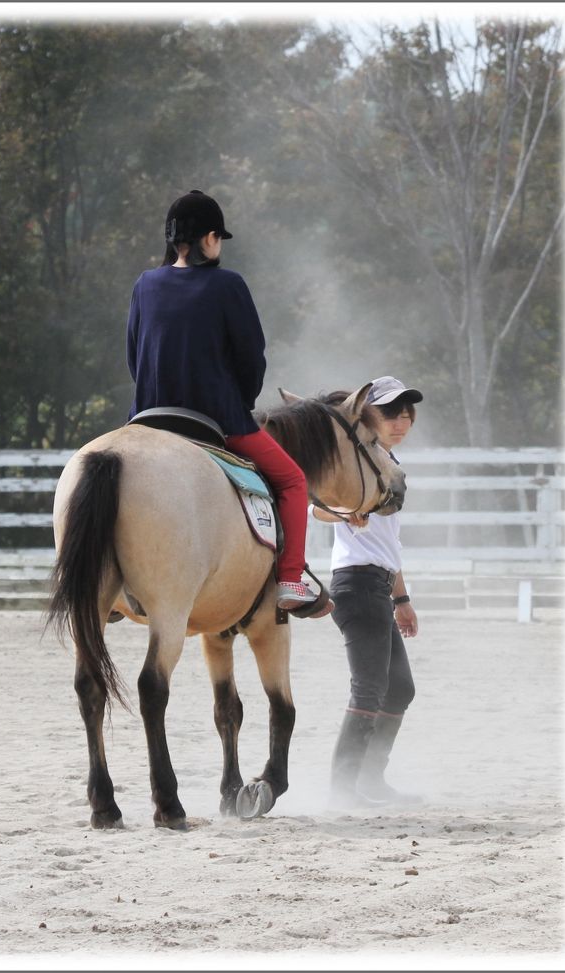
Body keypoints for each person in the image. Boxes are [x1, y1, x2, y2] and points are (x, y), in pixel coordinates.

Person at [126, 189, 330, 616]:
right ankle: (292, 580)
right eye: (218, 237)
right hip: (217, 420)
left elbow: (133, 354)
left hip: (147, 420)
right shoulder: (228, 284)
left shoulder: (145, 284)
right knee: (293, 482)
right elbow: (251, 357)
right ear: (209, 238)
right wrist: (242, 404)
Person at [311, 376, 423, 805]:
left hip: (379, 584)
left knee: (399, 690)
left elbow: (389, 544)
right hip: (356, 584)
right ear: (367, 415)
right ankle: (344, 787)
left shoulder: (387, 465)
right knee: (370, 687)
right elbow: (316, 506)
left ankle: (370, 781)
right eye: (391, 413)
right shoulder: (351, 463)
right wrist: (344, 511)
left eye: (406, 414)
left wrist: (403, 599)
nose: (401, 421)